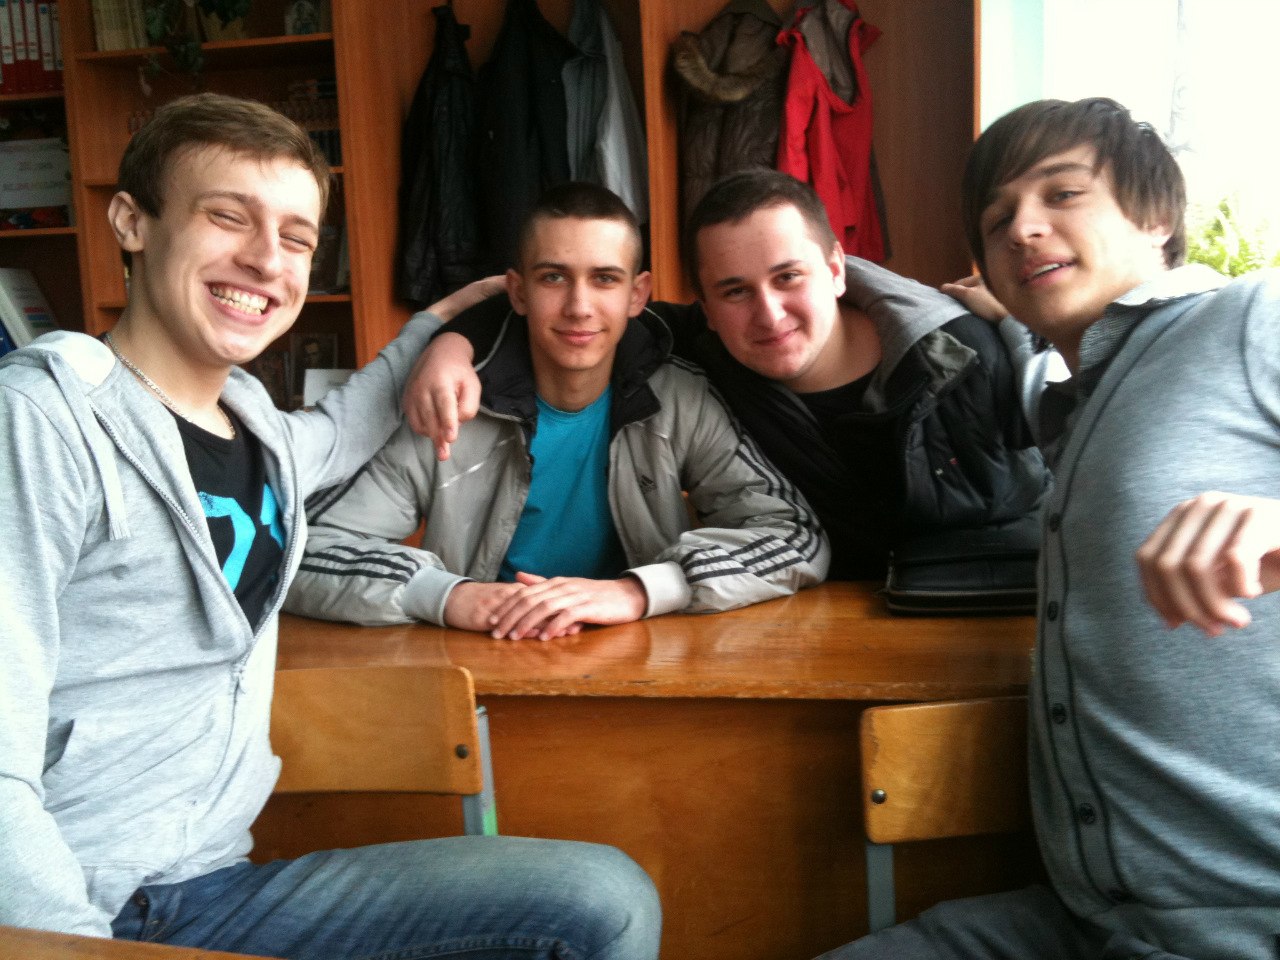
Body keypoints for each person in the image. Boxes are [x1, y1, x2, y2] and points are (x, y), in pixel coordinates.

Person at [0, 93, 661, 959]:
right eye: (227, 217)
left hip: (212, 889)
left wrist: (453, 328)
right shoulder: (43, 420)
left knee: (603, 900)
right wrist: (77, 949)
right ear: (132, 221)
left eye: (297, 237)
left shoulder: (255, 427)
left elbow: (356, 415)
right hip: (72, 910)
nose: (265, 260)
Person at [815, 97, 1280, 959]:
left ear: (1156, 217)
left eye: (1063, 195)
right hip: (1084, 920)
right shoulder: (1071, 395)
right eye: (997, 221)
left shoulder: (1249, 319)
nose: (1024, 229)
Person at [412, 170, 1050, 580]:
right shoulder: (704, 349)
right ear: (708, 307)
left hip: (989, 617)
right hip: (819, 633)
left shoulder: (965, 356)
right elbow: (573, 309)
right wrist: (450, 346)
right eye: (735, 291)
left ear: (836, 268)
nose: (768, 314)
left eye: (788, 277)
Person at [285, 182, 827, 640]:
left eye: (605, 278)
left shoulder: (681, 398)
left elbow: (795, 534)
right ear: (517, 292)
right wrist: (450, 597)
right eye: (553, 278)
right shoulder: (448, 401)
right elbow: (298, 553)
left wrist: (639, 590)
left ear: (638, 294)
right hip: (485, 653)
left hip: (640, 652)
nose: (579, 307)